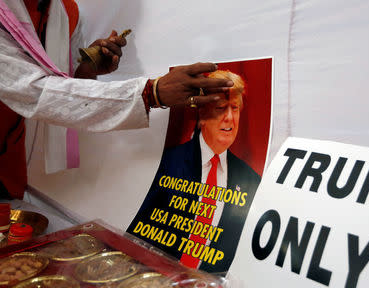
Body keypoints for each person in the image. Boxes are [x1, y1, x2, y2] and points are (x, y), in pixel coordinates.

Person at [0, 0, 233, 199]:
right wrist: (150, 93)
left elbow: (65, 85)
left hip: (11, 163)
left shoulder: (65, 11)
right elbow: (35, 90)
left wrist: (88, 69)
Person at [128, 70, 261, 273]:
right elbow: (134, 234)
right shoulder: (166, 162)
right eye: (220, 108)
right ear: (201, 113)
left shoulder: (251, 180)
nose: (229, 118)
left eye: (234, 108)